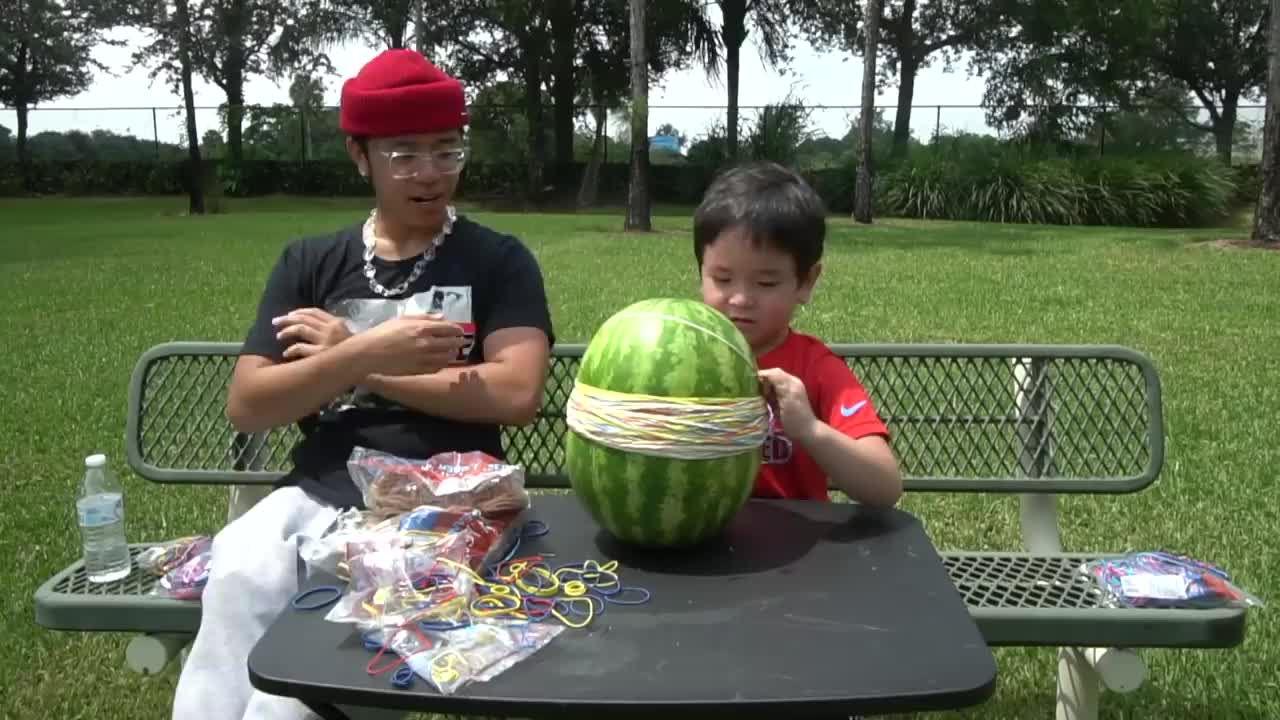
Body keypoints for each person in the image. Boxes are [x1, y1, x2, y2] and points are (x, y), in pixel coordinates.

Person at [171, 49, 555, 720]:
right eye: (404, 154)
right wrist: (361, 358)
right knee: (237, 566)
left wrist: (361, 359)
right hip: (319, 488)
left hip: (444, 508)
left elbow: (517, 393)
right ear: (360, 156)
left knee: (285, 711)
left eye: (447, 150)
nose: (431, 174)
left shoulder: (498, 260)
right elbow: (248, 404)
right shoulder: (311, 262)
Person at [693, 161, 902, 508]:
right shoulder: (682, 357)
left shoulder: (816, 368)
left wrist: (809, 429)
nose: (741, 299)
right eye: (722, 279)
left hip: (798, 550)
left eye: (766, 282)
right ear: (701, 272)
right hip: (694, 544)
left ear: (806, 282)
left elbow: (885, 487)